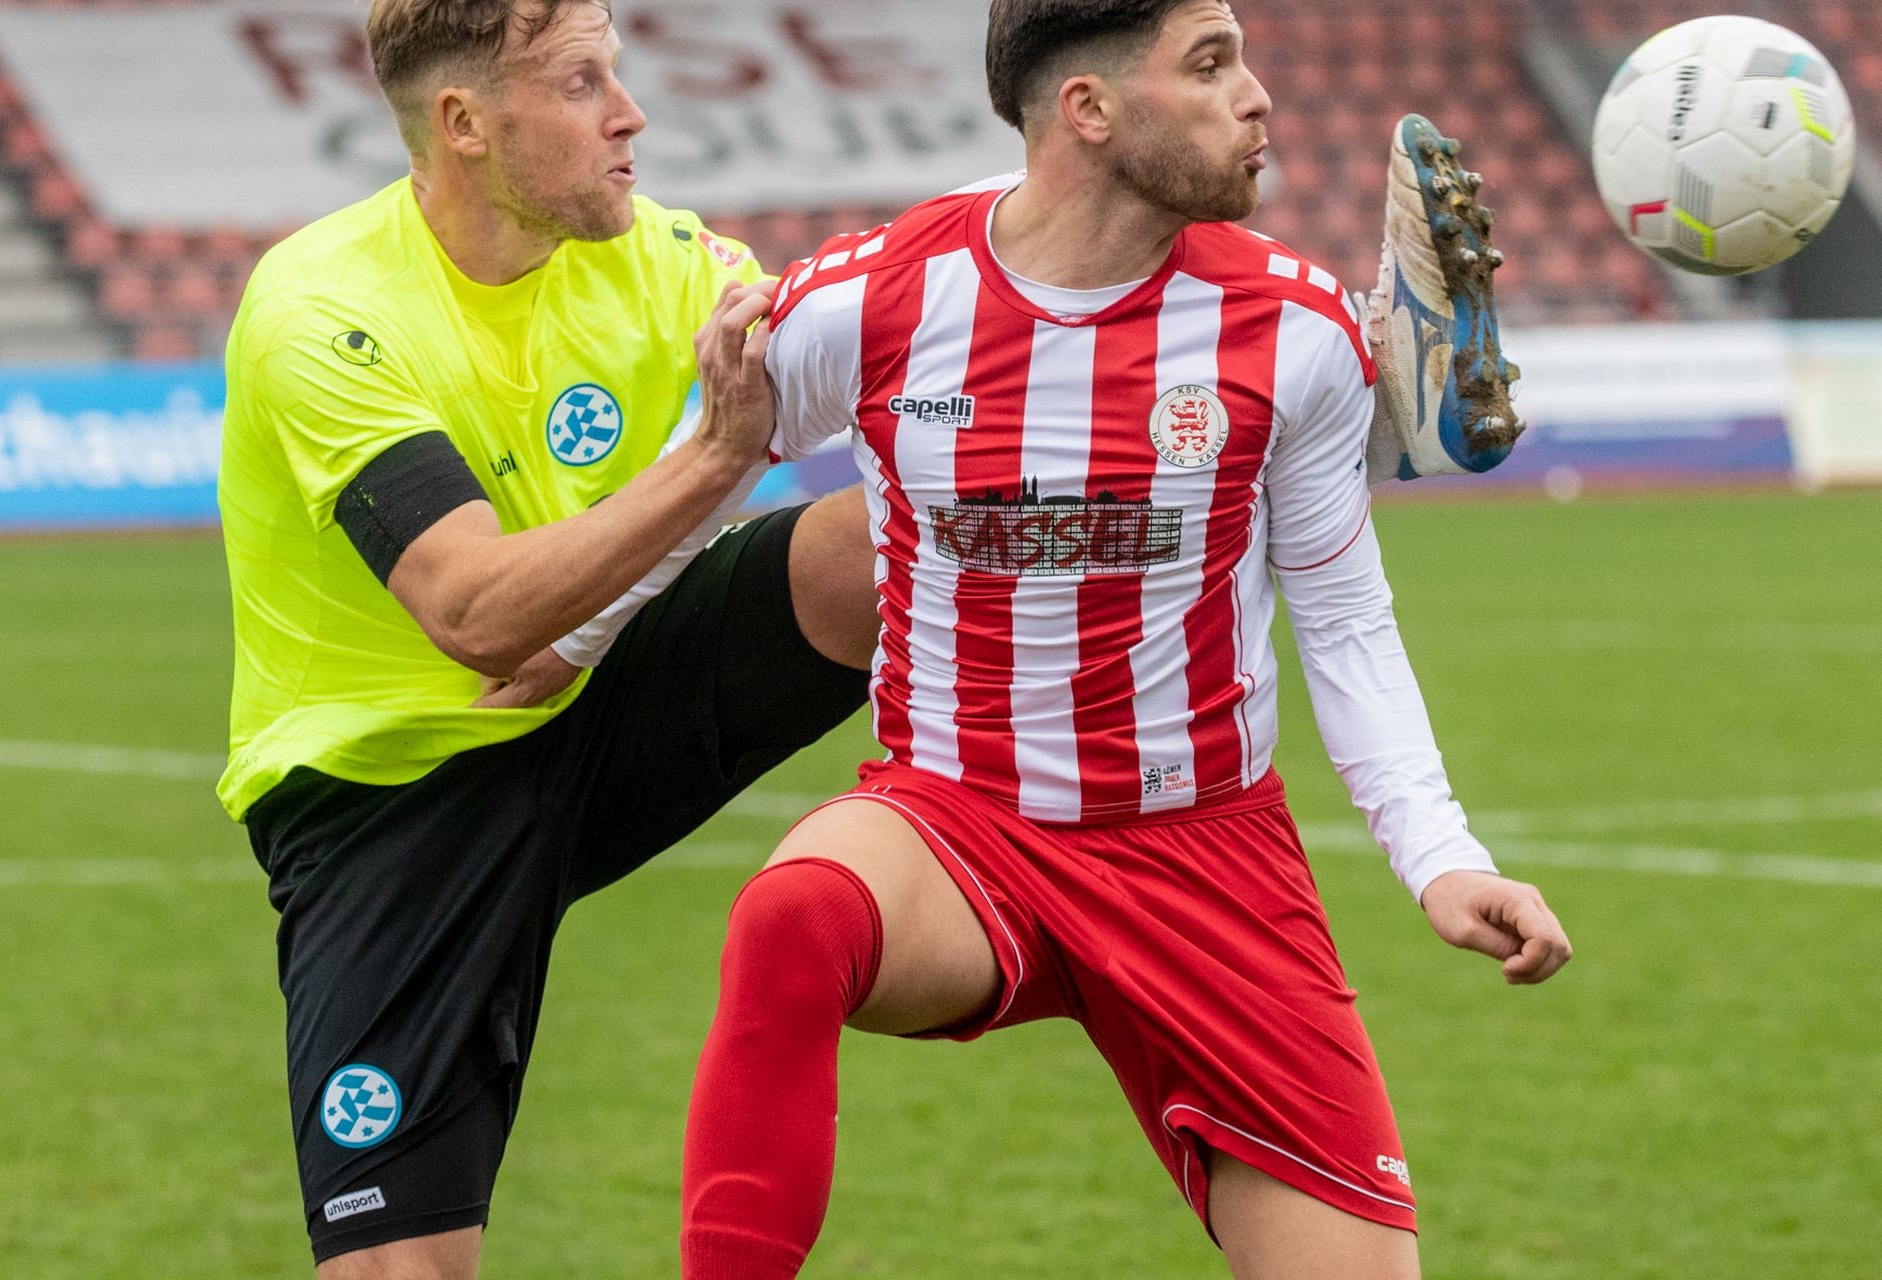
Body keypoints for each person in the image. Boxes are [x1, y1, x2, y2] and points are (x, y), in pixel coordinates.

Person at [661, 2, 1572, 1277]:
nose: (1256, 94)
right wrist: (555, 649)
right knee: (793, 916)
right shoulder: (865, 301)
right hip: (958, 823)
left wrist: (1442, 856)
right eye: (1209, 64)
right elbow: (690, 484)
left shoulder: (1297, 330)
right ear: (1087, 109)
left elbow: (1345, 613)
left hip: (1209, 859)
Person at [215, 1, 877, 1274]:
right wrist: (715, 458)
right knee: (400, 1262)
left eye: (616, 75)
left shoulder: (667, 259)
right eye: (582, 84)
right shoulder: (323, 309)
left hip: (604, 693)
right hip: (389, 791)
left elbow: (916, 323)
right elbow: (473, 612)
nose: (631, 114)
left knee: (893, 535)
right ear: (464, 122)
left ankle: (994, 836)